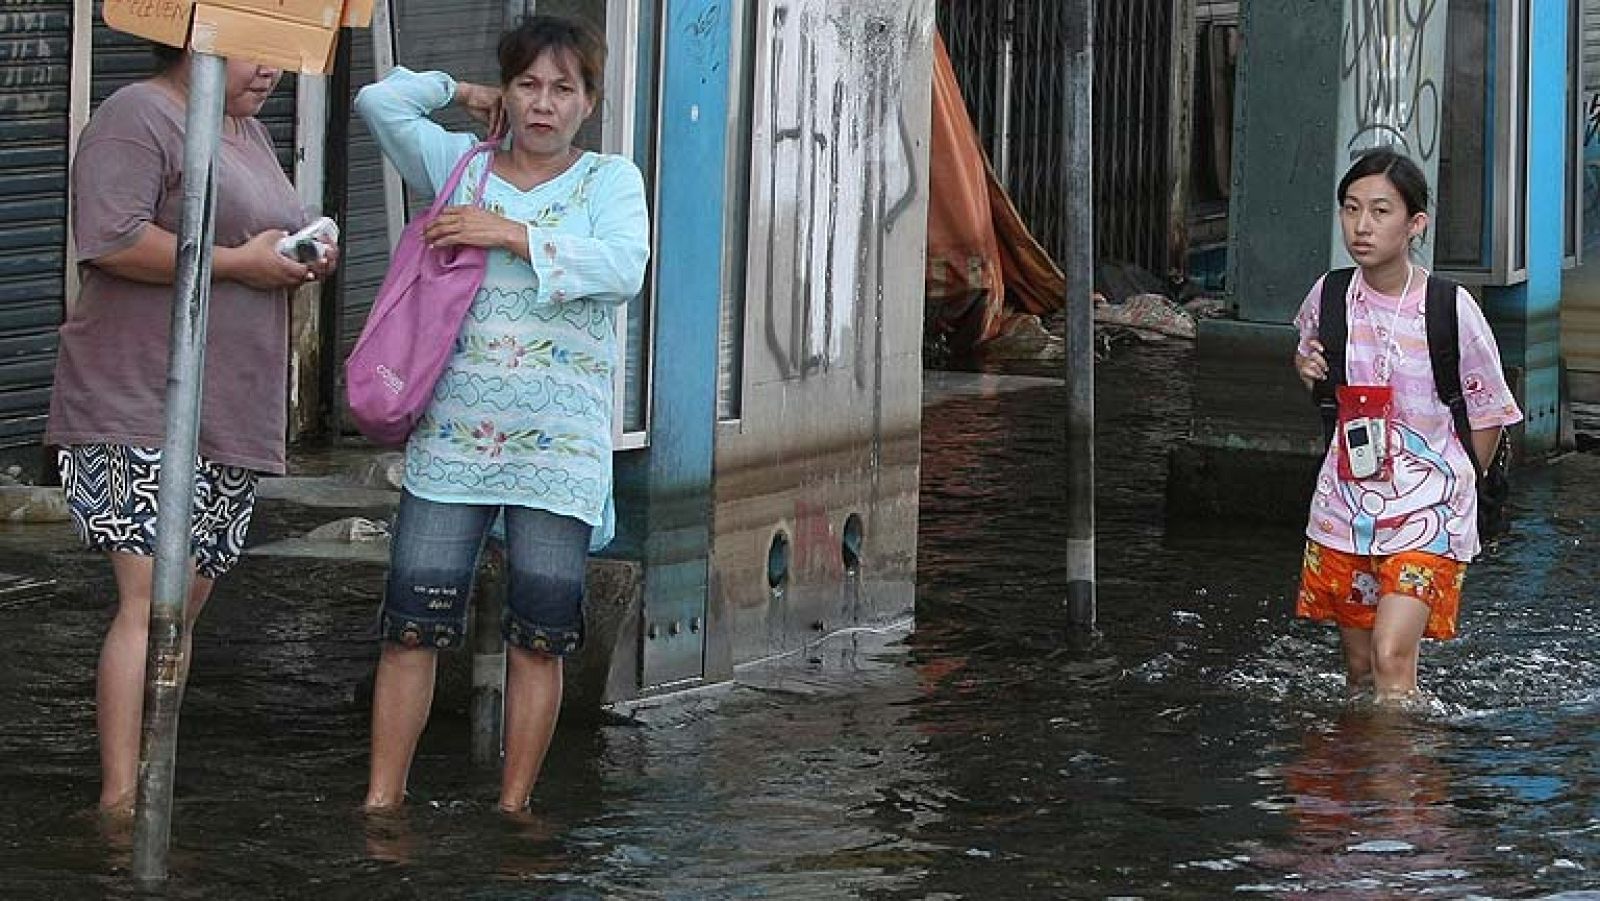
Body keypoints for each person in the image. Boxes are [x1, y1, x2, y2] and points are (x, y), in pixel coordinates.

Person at [353, 15, 649, 813]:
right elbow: (380, 102)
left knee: (542, 632)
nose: (542, 104)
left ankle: (514, 808)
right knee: (412, 621)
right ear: (508, 91)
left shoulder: (610, 181)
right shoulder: (461, 164)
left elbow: (624, 266)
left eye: (563, 88)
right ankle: (384, 804)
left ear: (589, 102)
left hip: (558, 452)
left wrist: (510, 234)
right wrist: (459, 89)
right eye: (527, 85)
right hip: (451, 442)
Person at [46, 44, 338, 817]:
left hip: (230, 404)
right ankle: (118, 800)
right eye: (255, 51)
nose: (271, 69)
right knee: (148, 598)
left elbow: (261, 233)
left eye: (279, 52)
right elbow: (110, 238)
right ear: (196, 35)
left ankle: (152, 774)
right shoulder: (138, 114)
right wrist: (237, 264)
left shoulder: (251, 132)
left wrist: (304, 250)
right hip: (139, 393)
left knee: (189, 602)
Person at [1292, 149, 1521, 704]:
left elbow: (1488, 411)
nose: (1362, 226)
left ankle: (1401, 786)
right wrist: (1306, 369)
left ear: (1414, 224)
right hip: (1347, 507)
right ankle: (1361, 779)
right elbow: (1312, 366)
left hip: (1429, 511)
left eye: (1380, 211)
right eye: (1351, 209)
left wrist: (1455, 487)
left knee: (1392, 655)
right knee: (1361, 670)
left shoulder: (1451, 308)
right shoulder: (1329, 296)